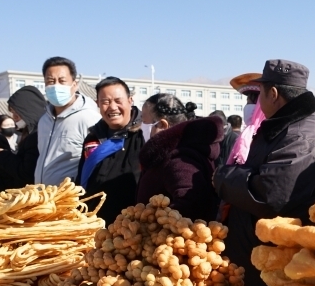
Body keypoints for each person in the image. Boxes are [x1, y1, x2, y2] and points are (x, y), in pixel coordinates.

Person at [215, 60, 315, 286]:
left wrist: (223, 178)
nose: (257, 102)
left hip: (275, 261)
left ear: (274, 93)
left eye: (259, 93)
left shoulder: (301, 136)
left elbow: (271, 194)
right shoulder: (284, 126)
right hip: (260, 253)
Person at [137, 94, 223, 222]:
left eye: (144, 121)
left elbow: (192, 205)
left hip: (170, 240)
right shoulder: (169, 153)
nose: (141, 126)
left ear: (161, 124)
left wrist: (154, 228)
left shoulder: (178, 159)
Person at [76, 77, 145, 225]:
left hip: (133, 227)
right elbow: (81, 180)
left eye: (118, 101)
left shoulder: (143, 135)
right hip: (94, 225)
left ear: (130, 100)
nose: (112, 107)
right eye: (105, 102)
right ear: (98, 104)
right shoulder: (92, 137)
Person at [35, 56, 100, 186]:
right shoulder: (43, 121)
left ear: (74, 85)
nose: (55, 85)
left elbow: (96, 163)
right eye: (50, 81)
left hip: (69, 199)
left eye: (62, 80)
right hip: (43, 198)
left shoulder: (89, 118)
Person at [0, 85, 46, 187]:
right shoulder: (32, 130)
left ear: (28, 110)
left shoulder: (36, 135)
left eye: (16, 113)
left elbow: (26, 172)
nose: (14, 117)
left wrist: (2, 157)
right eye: (12, 113)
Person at [225, 73, 265, 166]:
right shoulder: (246, 135)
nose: (247, 107)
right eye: (247, 104)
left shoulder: (265, 136)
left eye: (250, 103)